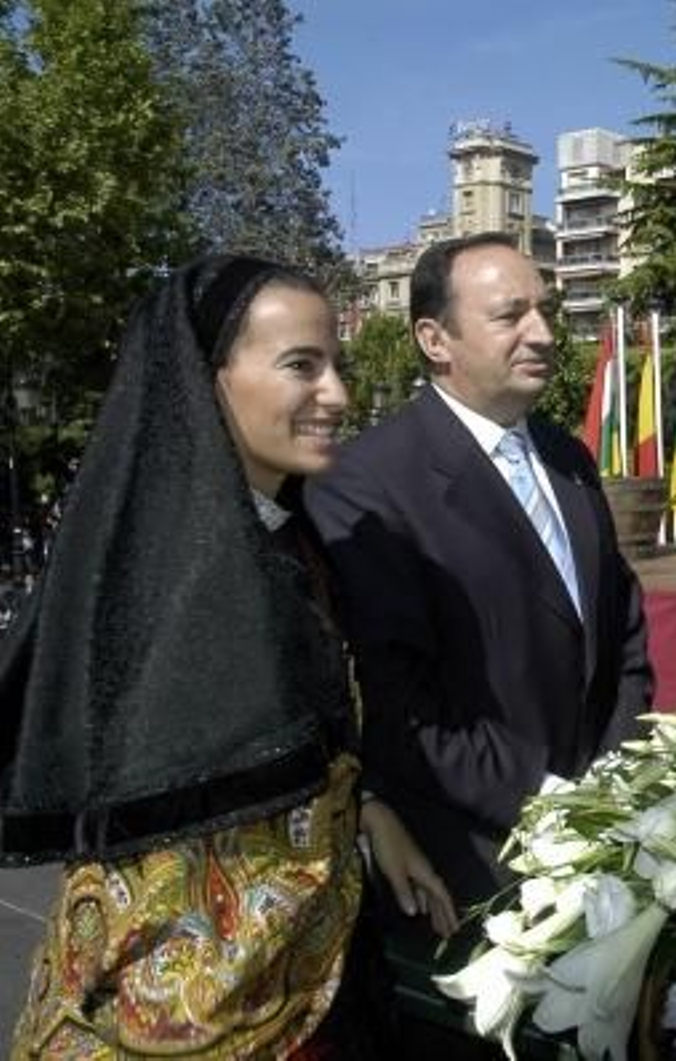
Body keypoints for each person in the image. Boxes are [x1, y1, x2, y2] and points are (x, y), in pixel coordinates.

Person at [0, 255, 427, 1055]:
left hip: (311, 1002)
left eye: (337, 364)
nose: (337, 394)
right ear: (208, 379)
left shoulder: (293, 546)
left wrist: (366, 805)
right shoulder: (163, 587)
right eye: (302, 365)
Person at [307, 233, 652, 935]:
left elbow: (624, 633)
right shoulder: (368, 485)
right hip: (472, 867)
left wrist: (612, 782)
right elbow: (404, 704)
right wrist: (553, 803)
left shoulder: (567, 456)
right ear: (436, 338)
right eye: (511, 315)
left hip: (608, 833)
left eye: (546, 311)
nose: (544, 333)